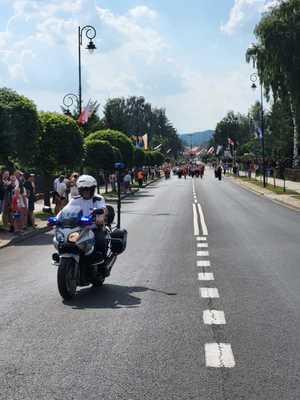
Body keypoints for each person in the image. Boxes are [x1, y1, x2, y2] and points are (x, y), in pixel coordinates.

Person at [60, 175, 108, 263]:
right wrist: (55, 218)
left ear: (93, 189)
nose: (86, 191)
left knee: (100, 241)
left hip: (93, 228)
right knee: (64, 241)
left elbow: (103, 209)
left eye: (88, 188)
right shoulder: (75, 199)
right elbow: (64, 210)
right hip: (78, 229)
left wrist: (100, 217)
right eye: (83, 189)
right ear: (80, 189)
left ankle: (102, 264)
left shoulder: (98, 199)